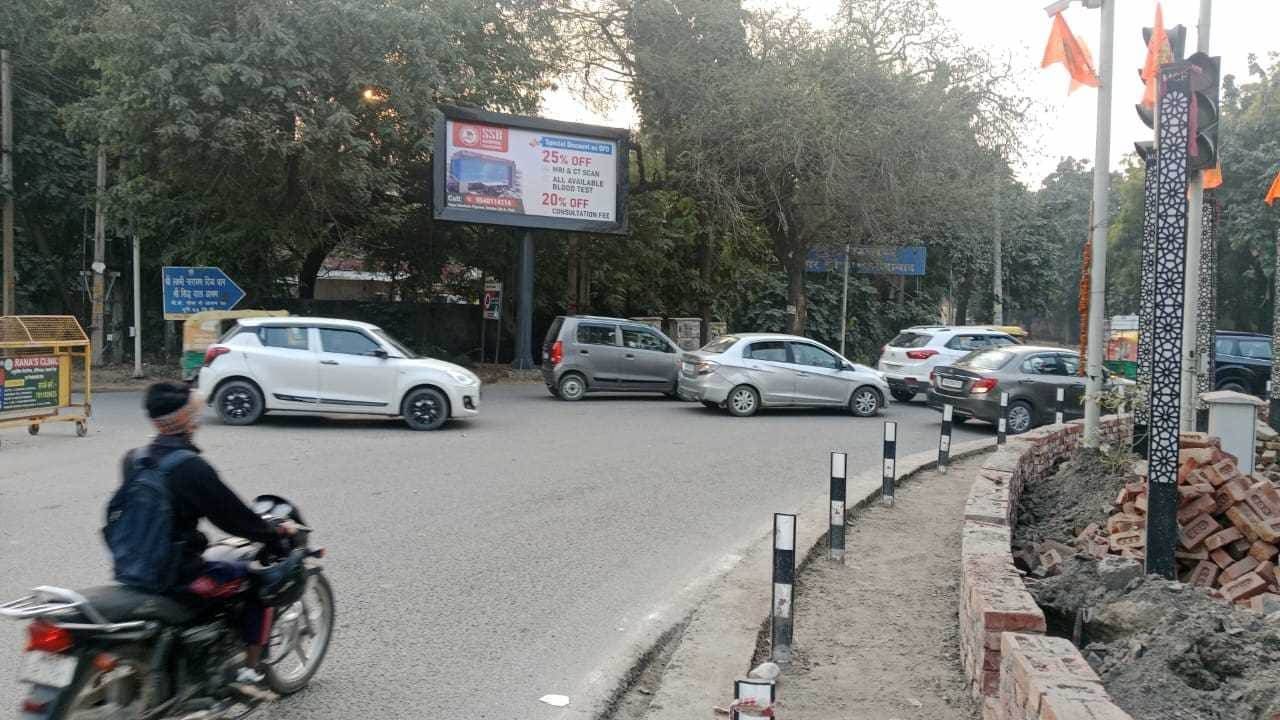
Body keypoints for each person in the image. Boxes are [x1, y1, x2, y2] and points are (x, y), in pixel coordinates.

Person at [117, 382, 294, 691]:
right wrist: (274, 532)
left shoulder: (134, 459)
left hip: (130, 568)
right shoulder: (191, 467)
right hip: (177, 576)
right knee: (255, 582)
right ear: (187, 418)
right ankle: (249, 671)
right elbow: (235, 519)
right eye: (195, 412)